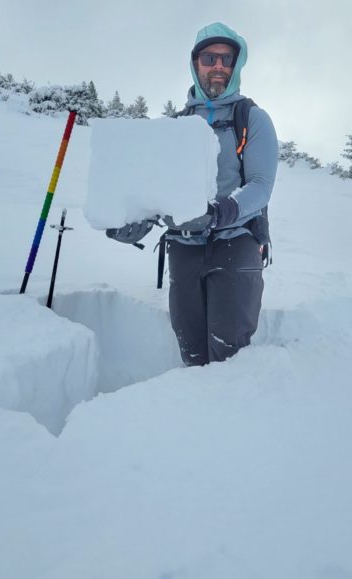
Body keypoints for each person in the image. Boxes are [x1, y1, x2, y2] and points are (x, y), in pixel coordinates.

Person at [108, 22, 278, 367]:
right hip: (183, 249)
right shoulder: (175, 125)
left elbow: (260, 186)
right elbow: (159, 188)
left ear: (236, 65)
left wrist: (219, 213)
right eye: (210, 58)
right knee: (192, 353)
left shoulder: (252, 118)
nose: (218, 66)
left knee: (228, 357)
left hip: (236, 243)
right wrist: (135, 219)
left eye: (226, 59)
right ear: (195, 63)